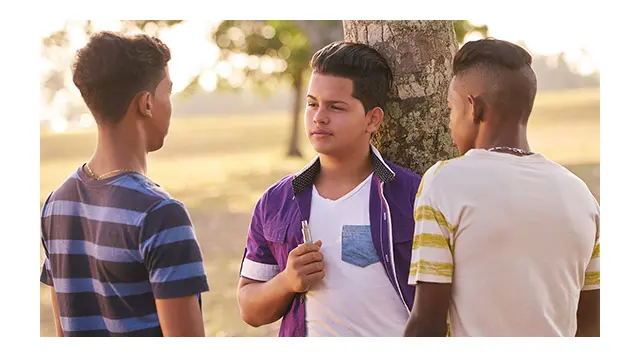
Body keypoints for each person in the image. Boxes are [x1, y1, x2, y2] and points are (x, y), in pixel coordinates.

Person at [404, 38, 600, 337]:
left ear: (474, 108)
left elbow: (426, 323)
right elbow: (592, 326)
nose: (450, 122)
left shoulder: (445, 182)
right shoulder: (581, 195)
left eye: (450, 108)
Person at [237, 41, 421, 337]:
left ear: (372, 119)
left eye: (336, 107)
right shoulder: (277, 201)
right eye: (312, 104)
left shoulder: (414, 197)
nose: (319, 117)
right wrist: (286, 281)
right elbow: (250, 309)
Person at [39, 31, 209, 337]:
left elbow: (62, 334)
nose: (170, 105)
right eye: (167, 93)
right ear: (146, 103)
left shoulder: (57, 204)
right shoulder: (161, 215)